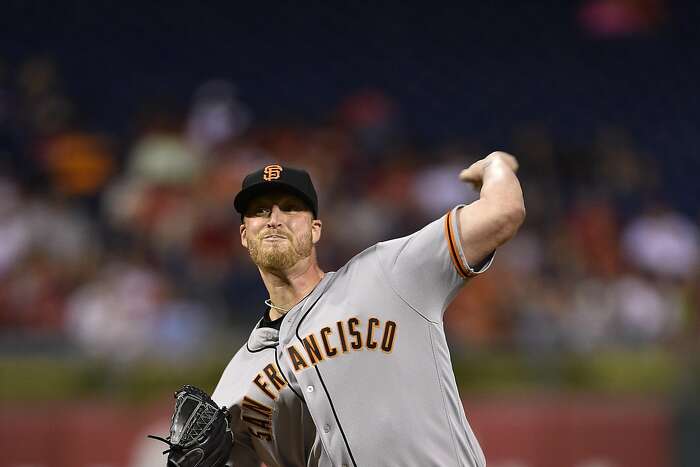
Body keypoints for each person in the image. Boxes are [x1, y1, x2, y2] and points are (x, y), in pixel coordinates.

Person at [212, 153, 525, 466]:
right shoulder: (237, 380)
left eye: (291, 208)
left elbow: (503, 212)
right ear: (244, 235)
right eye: (260, 211)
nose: (274, 219)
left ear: (316, 228)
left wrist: (495, 165)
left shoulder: (387, 273)